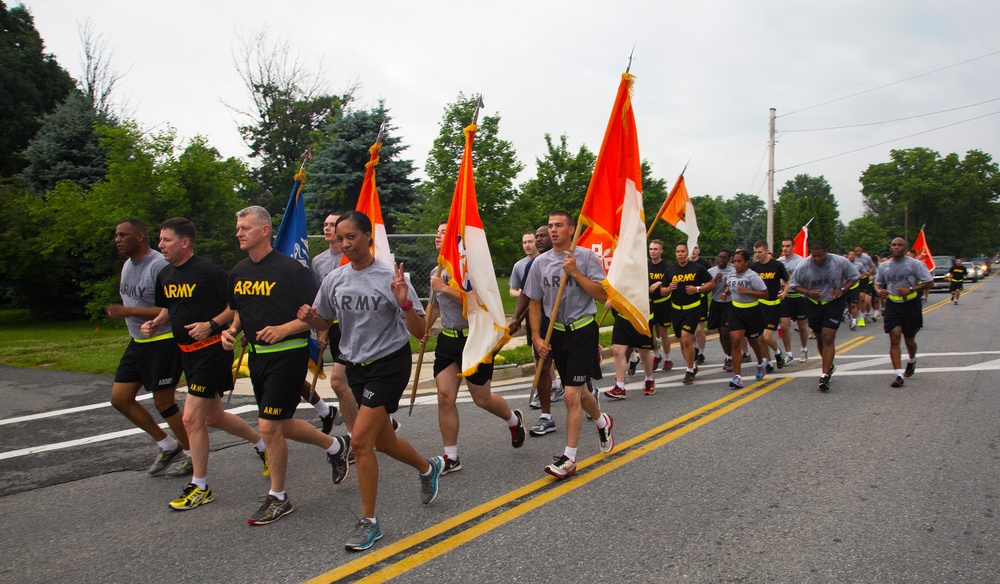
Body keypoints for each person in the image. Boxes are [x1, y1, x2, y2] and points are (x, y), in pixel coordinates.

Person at [299, 210, 444, 551]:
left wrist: (404, 302)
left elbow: (421, 332)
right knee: (383, 442)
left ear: (367, 237)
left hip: (389, 364)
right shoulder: (335, 279)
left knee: (361, 441)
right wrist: (311, 317)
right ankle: (427, 468)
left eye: (351, 236)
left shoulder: (390, 277)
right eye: (339, 237)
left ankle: (369, 522)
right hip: (355, 366)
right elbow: (324, 322)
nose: (345, 243)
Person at [222, 206, 351, 526]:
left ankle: (278, 497)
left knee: (268, 426)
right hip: (259, 357)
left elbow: (321, 315)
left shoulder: (291, 270)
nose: (238, 233)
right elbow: (239, 309)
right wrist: (232, 331)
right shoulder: (237, 271)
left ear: (265, 230)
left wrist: (284, 329)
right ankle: (335, 446)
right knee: (280, 423)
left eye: (244, 227)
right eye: (238, 228)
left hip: (289, 353)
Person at [140, 217, 269, 511]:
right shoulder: (165, 274)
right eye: (159, 240)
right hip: (186, 352)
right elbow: (169, 308)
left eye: (166, 240)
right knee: (214, 418)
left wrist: (211, 324)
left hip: (211, 351)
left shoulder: (209, 272)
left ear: (184, 242)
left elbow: (234, 307)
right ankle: (264, 446)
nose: (160, 246)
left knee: (190, 419)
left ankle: (200, 486)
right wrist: (155, 323)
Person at [424, 222, 526, 474]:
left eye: (444, 232)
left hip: (474, 338)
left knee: (482, 399)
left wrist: (445, 288)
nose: (439, 236)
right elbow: (434, 306)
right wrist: (425, 326)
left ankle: (513, 420)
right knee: (445, 396)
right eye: (437, 232)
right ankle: (451, 456)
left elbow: (480, 302)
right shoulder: (436, 270)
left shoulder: (471, 270)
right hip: (448, 339)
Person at [523, 210, 615, 479]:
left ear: (571, 230)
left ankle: (570, 459)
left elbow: (601, 295)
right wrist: (538, 337)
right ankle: (602, 421)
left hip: (583, 330)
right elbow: (535, 302)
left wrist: (575, 272)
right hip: (557, 333)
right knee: (579, 392)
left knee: (571, 395)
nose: (553, 230)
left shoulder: (586, 257)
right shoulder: (539, 263)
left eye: (559, 225)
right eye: (550, 225)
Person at [106, 219, 189, 478]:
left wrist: (129, 311)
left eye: (123, 235)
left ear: (140, 236)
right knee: (119, 399)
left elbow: (171, 308)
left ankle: (192, 454)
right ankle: (167, 445)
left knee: (164, 401)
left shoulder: (159, 266)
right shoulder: (127, 266)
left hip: (163, 342)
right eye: (116, 235)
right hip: (138, 343)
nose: (117, 239)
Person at [510, 224, 562, 435]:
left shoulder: (564, 259)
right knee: (542, 365)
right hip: (541, 320)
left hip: (565, 322)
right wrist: (515, 318)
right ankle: (546, 416)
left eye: (543, 236)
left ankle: (588, 393)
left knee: (572, 371)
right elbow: (526, 294)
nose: (539, 239)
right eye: (537, 236)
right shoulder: (534, 264)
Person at [790, 241, 860, 392]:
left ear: (826, 252)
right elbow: (794, 284)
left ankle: (824, 375)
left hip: (834, 302)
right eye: (814, 256)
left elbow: (854, 276)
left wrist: (842, 289)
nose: (817, 259)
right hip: (813, 304)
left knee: (828, 337)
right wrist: (808, 292)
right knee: (820, 338)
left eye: (820, 256)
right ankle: (828, 364)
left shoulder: (840, 262)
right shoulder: (804, 266)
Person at [873, 237, 933, 387]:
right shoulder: (884, 266)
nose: (896, 247)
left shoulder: (915, 264)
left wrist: (911, 289)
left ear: (905, 249)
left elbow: (929, 282)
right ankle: (898, 374)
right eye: (893, 245)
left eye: (900, 245)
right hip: (893, 304)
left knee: (909, 339)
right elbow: (877, 283)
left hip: (911, 304)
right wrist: (879, 291)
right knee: (894, 337)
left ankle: (912, 360)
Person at [659, 242, 715, 385]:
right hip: (676, 310)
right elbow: (662, 291)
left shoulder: (697, 268)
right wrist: (669, 289)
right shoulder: (670, 270)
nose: (680, 254)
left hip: (693, 309)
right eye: (678, 252)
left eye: (683, 251)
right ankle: (693, 366)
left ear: (688, 253)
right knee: (682, 341)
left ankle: (689, 370)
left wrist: (697, 289)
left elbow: (711, 283)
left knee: (686, 338)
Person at [719, 250, 769, 388]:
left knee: (754, 341)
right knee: (735, 342)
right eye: (734, 261)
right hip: (735, 311)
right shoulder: (731, 274)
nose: (736, 264)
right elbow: (730, 288)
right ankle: (737, 377)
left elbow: (765, 294)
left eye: (739, 261)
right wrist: (725, 293)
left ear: (747, 262)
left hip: (752, 311)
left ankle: (760, 363)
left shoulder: (752, 276)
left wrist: (748, 292)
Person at [751, 240, 790, 371]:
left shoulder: (777, 265)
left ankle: (777, 352)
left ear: (767, 251)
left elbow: (788, 279)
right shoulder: (754, 267)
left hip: (773, 305)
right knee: (760, 337)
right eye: (755, 252)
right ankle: (768, 361)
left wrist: (784, 292)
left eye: (760, 252)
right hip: (759, 305)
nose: (757, 255)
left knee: (767, 336)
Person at [636, 239, 673, 374]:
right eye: (651, 249)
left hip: (663, 303)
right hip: (649, 303)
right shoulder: (646, 265)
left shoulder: (666, 266)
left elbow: (670, 280)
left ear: (661, 251)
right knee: (650, 331)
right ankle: (657, 355)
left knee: (663, 332)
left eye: (655, 249)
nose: (653, 252)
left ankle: (668, 359)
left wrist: (659, 283)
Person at [777, 238, 810, 363]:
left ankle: (804, 348)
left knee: (802, 326)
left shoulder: (800, 261)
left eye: (788, 246)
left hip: (799, 296)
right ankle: (789, 353)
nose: (785, 248)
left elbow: (806, 278)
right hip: (785, 297)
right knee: (784, 326)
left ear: (793, 247)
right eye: (783, 246)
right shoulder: (779, 262)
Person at [707, 250, 735, 372]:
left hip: (729, 303)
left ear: (729, 260)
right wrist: (715, 279)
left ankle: (730, 357)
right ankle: (727, 355)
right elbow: (706, 289)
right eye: (719, 257)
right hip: (716, 303)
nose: (721, 259)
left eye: (724, 258)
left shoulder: (733, 271)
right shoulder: (711, 272)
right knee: (720, 331)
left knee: (725, 331)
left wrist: (728, 289)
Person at [690, 245, 712, 365]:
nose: (693, 251)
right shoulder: (685, 264)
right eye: (691, 248)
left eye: (696, 248)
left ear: (699, 250)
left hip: (701, 299)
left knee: (699, 329)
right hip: (687, 301)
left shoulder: (704, 265)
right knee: (690, 331)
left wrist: (699, 288)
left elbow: (710, 282)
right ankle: (695, 347)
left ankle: (702, 353)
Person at [508, 230, 538, 298]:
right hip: (527, 306)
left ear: (537, 242)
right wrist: (521, 294)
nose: (527, 245)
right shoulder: (518, 266)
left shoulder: (545, 261)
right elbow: (512, 290)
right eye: (524, 242)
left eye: (530, 242)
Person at [853, 245, 877, 326]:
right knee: (857, 299)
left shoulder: (867, 258)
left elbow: (872, 266)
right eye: (856, 251)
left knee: (862, 297)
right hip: (856, 279)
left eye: (859, 250)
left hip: (864, 278)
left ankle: (862, 317)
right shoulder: (853, 258)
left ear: (861, 250)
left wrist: (869, 273)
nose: (857, 252)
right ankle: (859, 315)